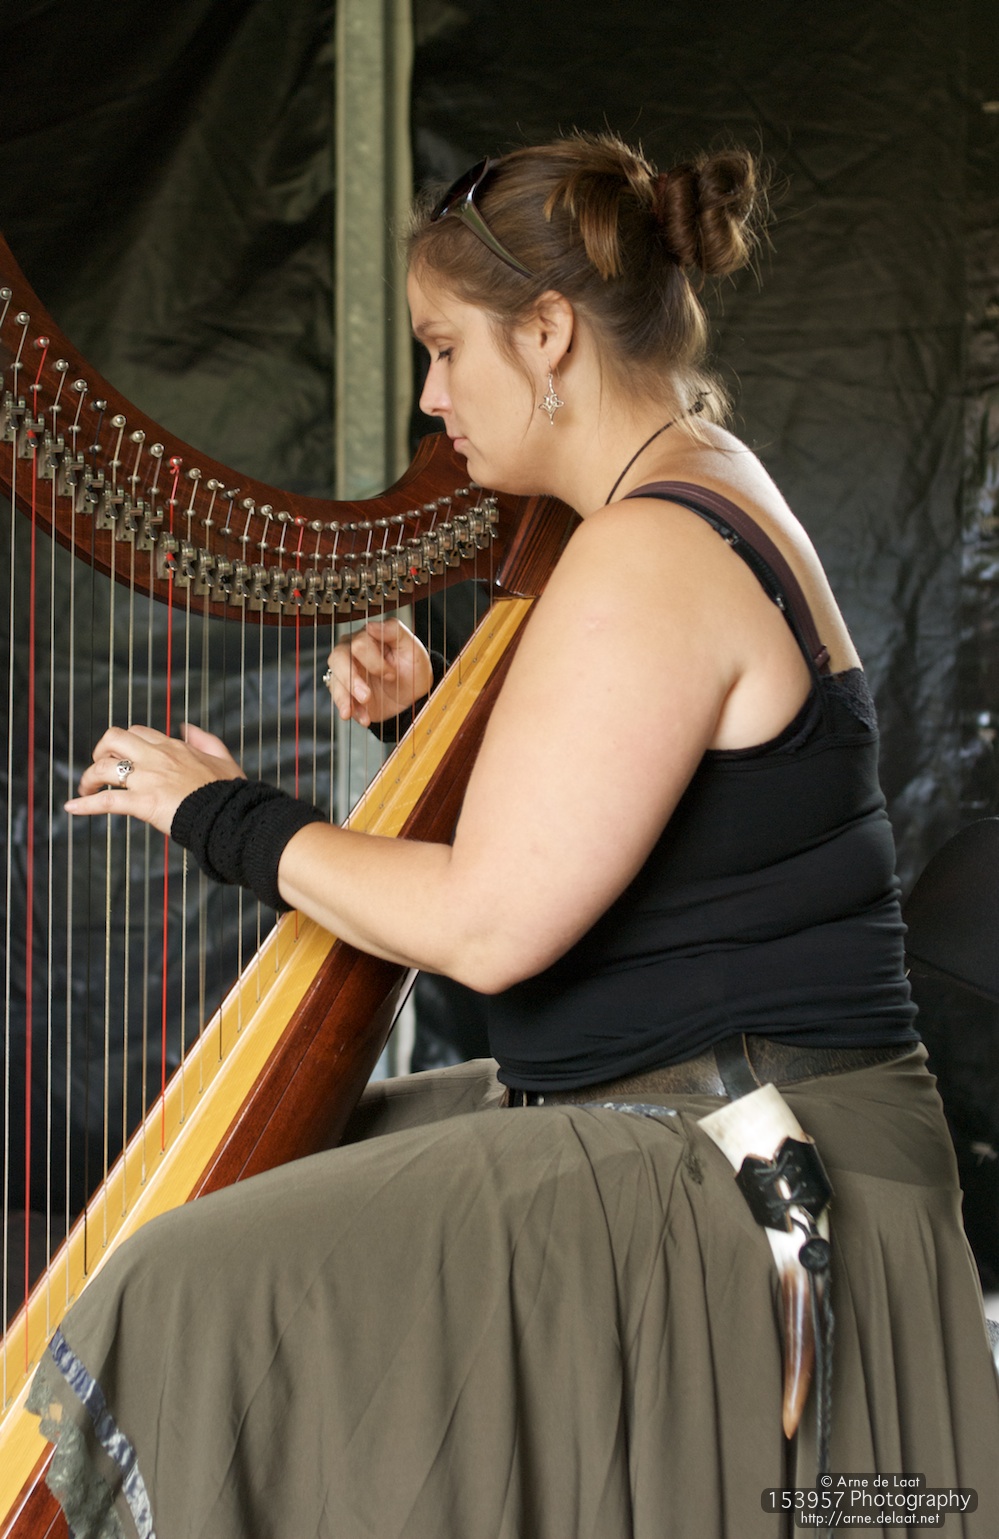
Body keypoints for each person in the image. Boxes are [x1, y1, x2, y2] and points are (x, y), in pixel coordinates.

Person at [27, 132, 999, 1538]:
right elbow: (646, 835)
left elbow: (490, 926)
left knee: (175, 1288)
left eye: (444, 349)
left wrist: (217, 812)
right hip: (709, 1113)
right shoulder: (698, 480)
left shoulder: (648, 547)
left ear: (547, 333)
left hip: (733, 1169)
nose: (431, 399)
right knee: (289, 1171)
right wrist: (421, 725)